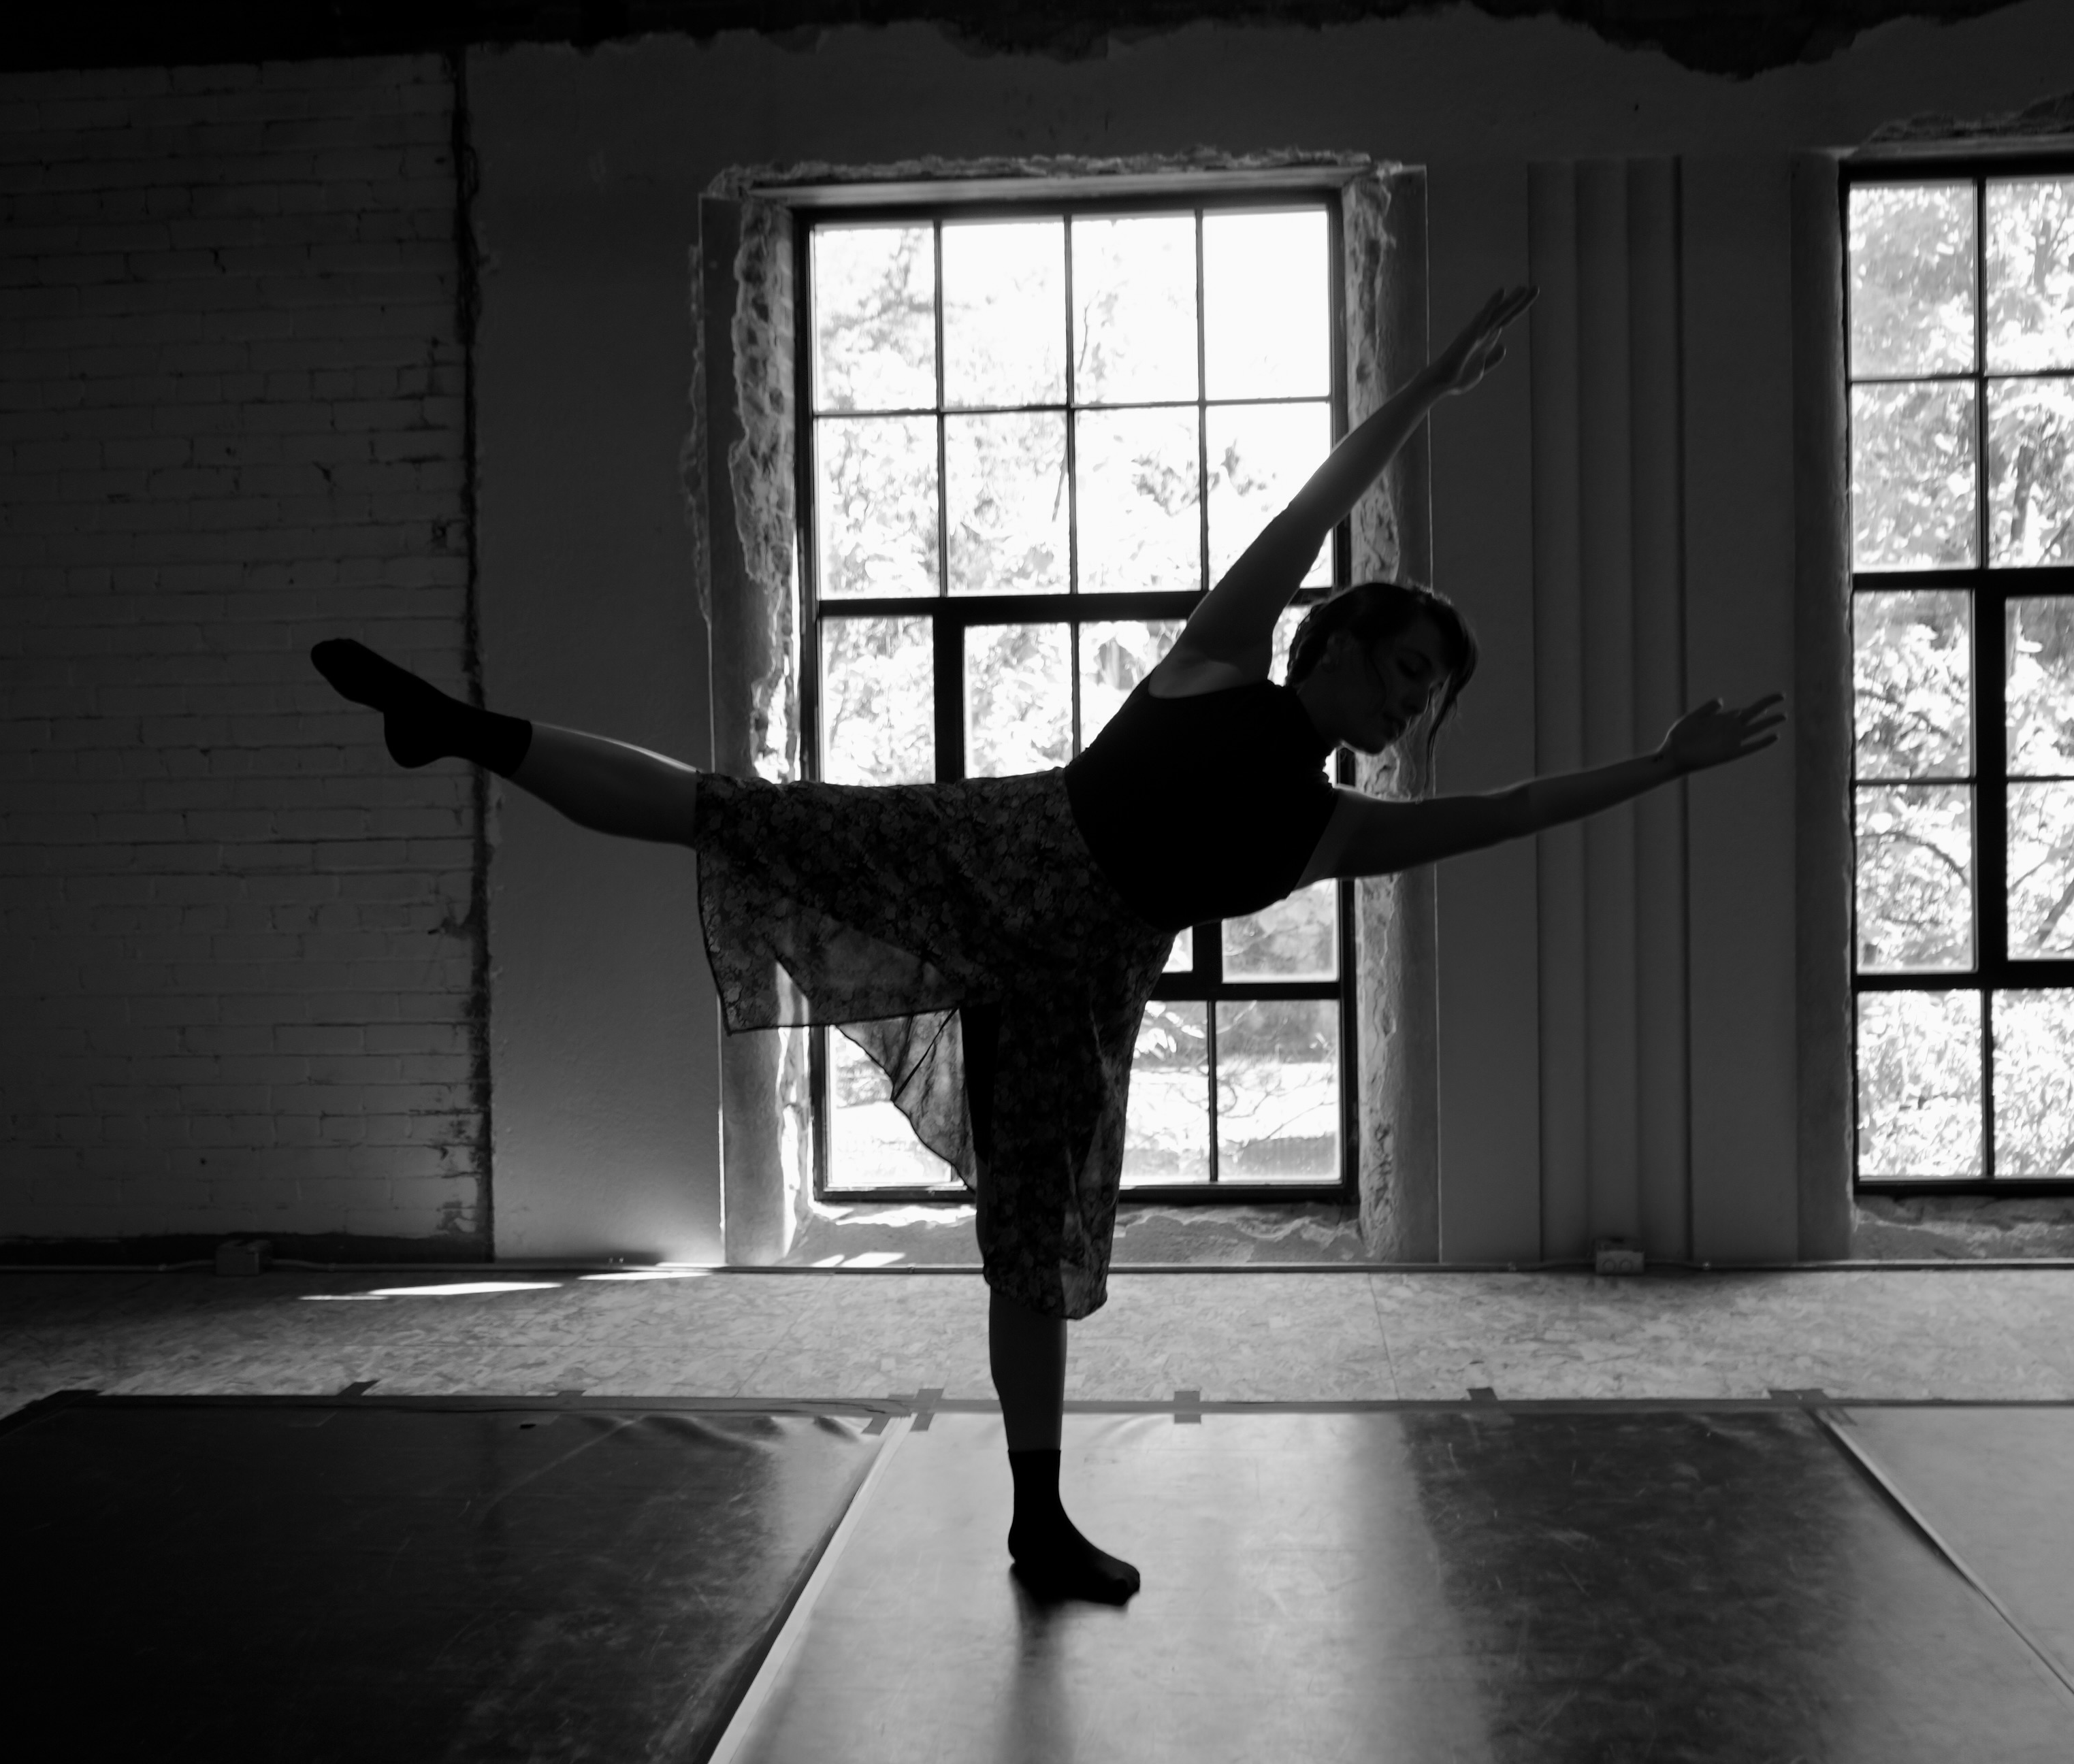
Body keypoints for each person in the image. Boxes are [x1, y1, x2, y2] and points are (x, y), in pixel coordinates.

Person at [310, 284, 1781, 1605]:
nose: (1410, 712)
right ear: (1334, 641)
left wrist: (1659, 767)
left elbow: (1513, 810)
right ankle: (459, 731)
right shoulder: (1222, 659)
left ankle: (1037, 1519)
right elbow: (1314, 503)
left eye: (1430, 701)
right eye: (1404, 671)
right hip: (989, 855)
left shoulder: (1329, 828)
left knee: (1033, 1253)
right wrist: (1423, 388)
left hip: (1076, 993)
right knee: (732, 814)